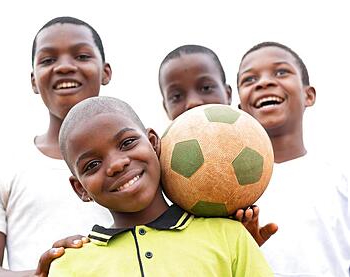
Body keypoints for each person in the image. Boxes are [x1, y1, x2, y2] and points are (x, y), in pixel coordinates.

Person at [48, 95, 273, 276]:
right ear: (80, 189)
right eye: (93, 164)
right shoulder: (69, 266)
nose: (116, 164)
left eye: (127, 143)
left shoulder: (229, 236)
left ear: (154, 143)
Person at [0, 16, 113, 276]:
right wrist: (42, 274)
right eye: (48, 60)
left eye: (82, 56)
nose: (64, 67)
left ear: (106, 72)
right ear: (33, 80)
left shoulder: (137, 159)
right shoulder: (3, 166)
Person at [237, 41, 350, 276]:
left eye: (281, 72)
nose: (264, 82)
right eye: (249, 79)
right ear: (240, 107)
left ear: (308, 95)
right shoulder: (233, 188)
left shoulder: (341, 178)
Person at [159, 44, 278, 246]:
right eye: (176, 96)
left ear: (228, 93)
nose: (193, 102)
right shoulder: (159, 167)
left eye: (206, 88)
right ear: (165, 107)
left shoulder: (261, 153)